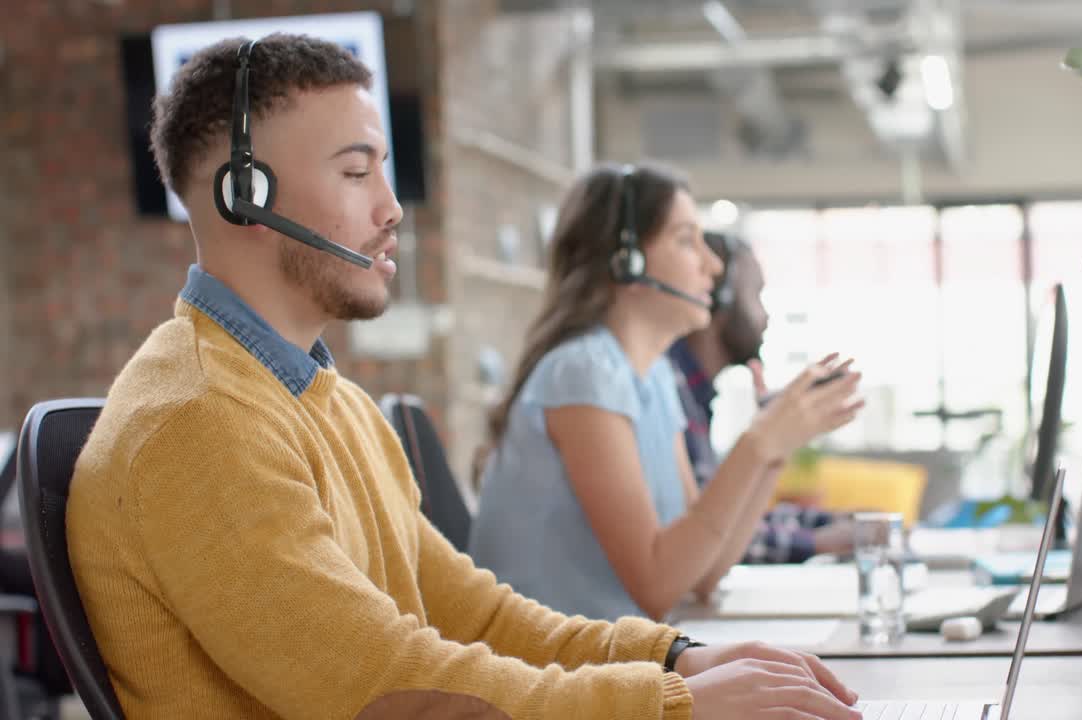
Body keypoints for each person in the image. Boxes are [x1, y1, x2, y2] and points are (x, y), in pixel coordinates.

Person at [64, 34, 865, 720]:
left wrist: (676, 658)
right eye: (356, 173)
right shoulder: (197, 421)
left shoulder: (331, 404)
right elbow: (386, 687)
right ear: (246, 195)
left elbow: (474, 616)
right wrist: (669, 703)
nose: (392, 208)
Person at [469, 162, 864, 626]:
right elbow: (657, 585)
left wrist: (775, 450)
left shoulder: (654, 375)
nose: (713, 266)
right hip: (548, 665)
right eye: (686, 240)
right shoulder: (583, 373)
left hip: (609, 654)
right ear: (627, 262)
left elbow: (703, 572)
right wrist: (757, 442)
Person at [669, 232, 856, 564]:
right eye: (755, 295)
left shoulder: (695, 396)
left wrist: (832, 522)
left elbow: (725, 519)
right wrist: (817, 541)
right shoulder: (671, 388)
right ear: (718, 299)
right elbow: (701, 538)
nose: (765, 317)